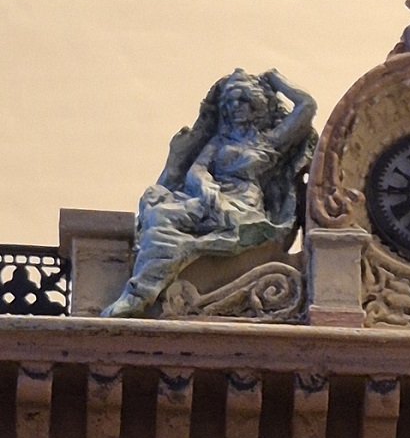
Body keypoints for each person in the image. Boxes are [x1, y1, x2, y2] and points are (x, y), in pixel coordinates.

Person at [103, 68, 317, 318]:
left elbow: (307, 105)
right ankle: (139, 290)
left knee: (172, 231)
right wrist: (206, 186)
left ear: (257, 104)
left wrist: (276, 79)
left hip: (242, 206)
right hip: (208, 198)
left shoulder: (269, 142)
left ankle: (139, 295)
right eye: (230, 101)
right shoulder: (220, 141)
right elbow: (198, 169)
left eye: (242, 99)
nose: (235, 106)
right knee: (159, 215)